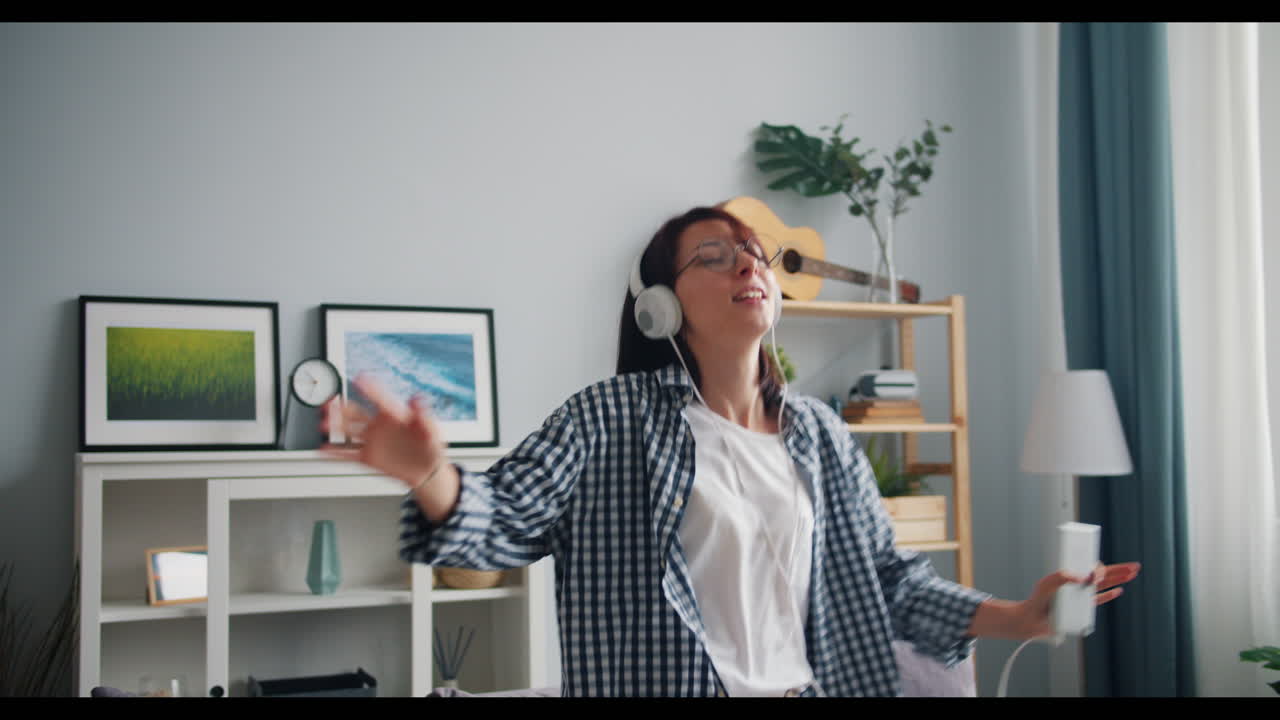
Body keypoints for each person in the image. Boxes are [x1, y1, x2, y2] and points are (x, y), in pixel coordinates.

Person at [320, 205, 1141, 697]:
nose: (747, 262)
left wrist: (1018, 617)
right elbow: (503, 520)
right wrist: (430, 472)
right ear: (659, 307)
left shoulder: (822, 435)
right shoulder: (608, 419)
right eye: (712, 257)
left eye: (753, 252)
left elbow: (888, 581)